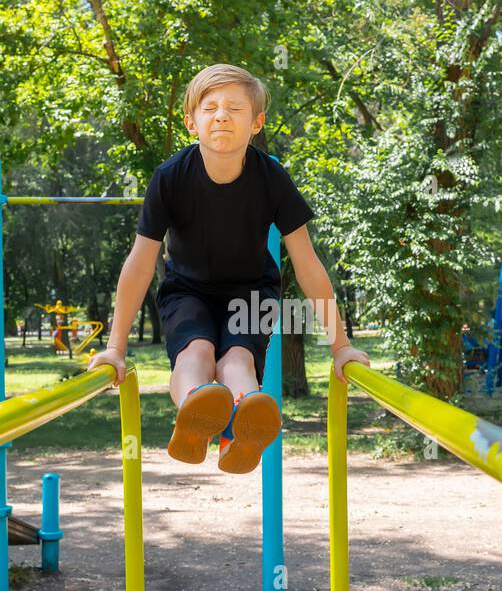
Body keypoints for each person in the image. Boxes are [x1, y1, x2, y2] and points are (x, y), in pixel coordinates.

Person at [88, 63, 368, 474]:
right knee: (194, 353)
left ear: (257, 123)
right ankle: (194, 415)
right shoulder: (169, 178)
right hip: (187, 290)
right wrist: (115, 347)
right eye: (211, 107)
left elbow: (307, 264)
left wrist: (341, 346)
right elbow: (140, 262)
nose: (222, 115)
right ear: (191, 122)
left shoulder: (271, 178)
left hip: (252, 291)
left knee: (238, 360)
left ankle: (242, 433)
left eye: (235, 109)